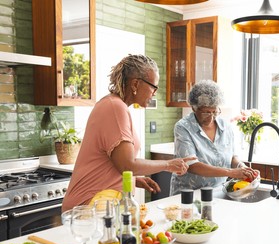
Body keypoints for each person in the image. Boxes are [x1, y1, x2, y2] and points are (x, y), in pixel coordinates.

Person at [62, 54, 194, 212]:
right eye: (153, 86)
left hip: (101, 204)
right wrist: (168, 164)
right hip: (89, 207)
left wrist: (134, 180)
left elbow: (115, 163)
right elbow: (127, 164)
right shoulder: (115, 107)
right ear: (136, 84)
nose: (154, 93)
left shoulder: (114, 105)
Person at [170, 80, 258, 195]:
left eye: (215, 112)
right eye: (206, 112)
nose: (211, 118)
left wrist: (243, 168)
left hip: (217, 192)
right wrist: (231, 172)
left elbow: (231, 158)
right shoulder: (183, 127)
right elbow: (192, 166)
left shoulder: (226, 127)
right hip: (188, 194)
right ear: (194, 108)